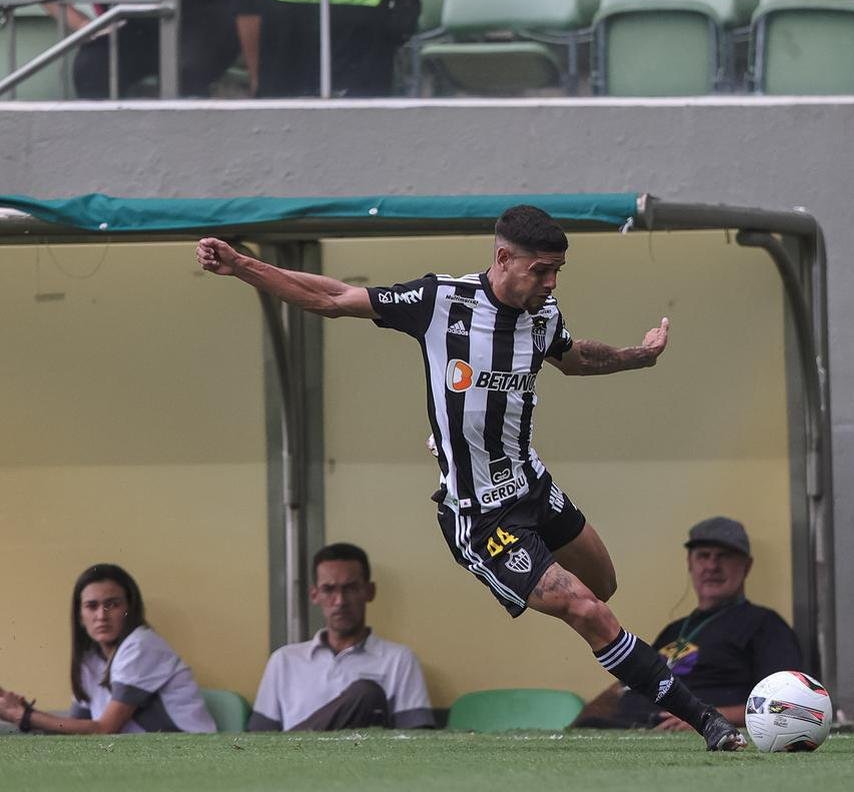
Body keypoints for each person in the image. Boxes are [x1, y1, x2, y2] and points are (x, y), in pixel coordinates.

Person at [195, 205, 747, 750]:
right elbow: (335, 297)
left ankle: (622, 655)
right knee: (589, 610)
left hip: (533, 484)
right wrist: (245, 267)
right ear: (504, 258)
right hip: (481, 514)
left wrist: (638, 356)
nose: (551, 282)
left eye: (558, 271)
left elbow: (573, 357)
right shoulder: (441, 302)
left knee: (603, 585)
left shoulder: (542, 312)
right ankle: (710, 724)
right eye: (542, 270)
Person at [573, 516, 805, 731]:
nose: (712, 566)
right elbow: (628, 680)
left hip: (685, 733)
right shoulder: (675, 630)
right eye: (703, 556)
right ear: (690, 564)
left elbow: (784, 704)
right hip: (623, 727)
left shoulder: (764, 625)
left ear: (747, 566)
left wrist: (708, 717)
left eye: (724, 556)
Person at [0, 564, 215, 734]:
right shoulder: (90, 659)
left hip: (190, 756)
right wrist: (21, 710)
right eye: (91, 606)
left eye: (112, 604)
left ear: (130, 609)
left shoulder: (141, 645)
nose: (101, 615)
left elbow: (104, 729)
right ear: (80, 616)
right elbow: (74, 727)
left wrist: (24, 716)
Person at [247, 543, 434, 731]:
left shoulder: (399, 660)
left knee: (367, 694)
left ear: (370, 591)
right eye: (329, 589)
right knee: (365, 694)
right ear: (314, 595)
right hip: (295, 759)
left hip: (367, 759)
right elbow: (258, 741)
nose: (340, 601)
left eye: (350, 588)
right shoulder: (285, 660)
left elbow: (417, 739)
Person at [34, 0, 239, 98]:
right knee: (92, 67)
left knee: (188, 69)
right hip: (131, 23)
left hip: (203, 15)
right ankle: (105, 153)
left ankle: (189, 152)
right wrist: (82, 24)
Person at [245, 0, 421, 97]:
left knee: (283, 115)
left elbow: (244, 9)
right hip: (362, 8)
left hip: (285, 10)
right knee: (363, 117)